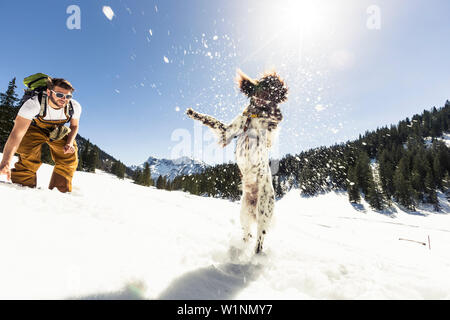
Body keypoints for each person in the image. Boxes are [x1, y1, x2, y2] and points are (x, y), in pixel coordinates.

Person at [0, 77, 82, 193]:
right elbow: (17, 134)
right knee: (27, 151)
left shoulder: (74, 107)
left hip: (56, 131)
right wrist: (5, 162)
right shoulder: (33, 104)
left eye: (68, 96)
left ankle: (60, 191)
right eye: (59, 95)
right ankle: (23, 186)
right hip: (34, 128)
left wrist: (69, 143)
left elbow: (74, 126)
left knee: (69, 156)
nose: (64, 99)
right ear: (49, 92)